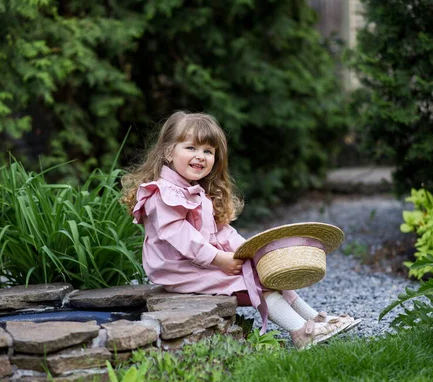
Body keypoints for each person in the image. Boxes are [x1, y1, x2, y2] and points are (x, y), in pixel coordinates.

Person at [121, 111, 359, 349]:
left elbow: (222, 232)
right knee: (251, 282)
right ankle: (301, 333)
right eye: (191, 148)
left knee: (263, 271)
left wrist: (249, 252)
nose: (200, 156)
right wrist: (218, 259)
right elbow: (181, 236)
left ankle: (313, 318)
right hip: (179, 269)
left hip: (198, 262)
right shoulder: (164, 193)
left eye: (208, 151)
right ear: (168, 152)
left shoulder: (196, 191)